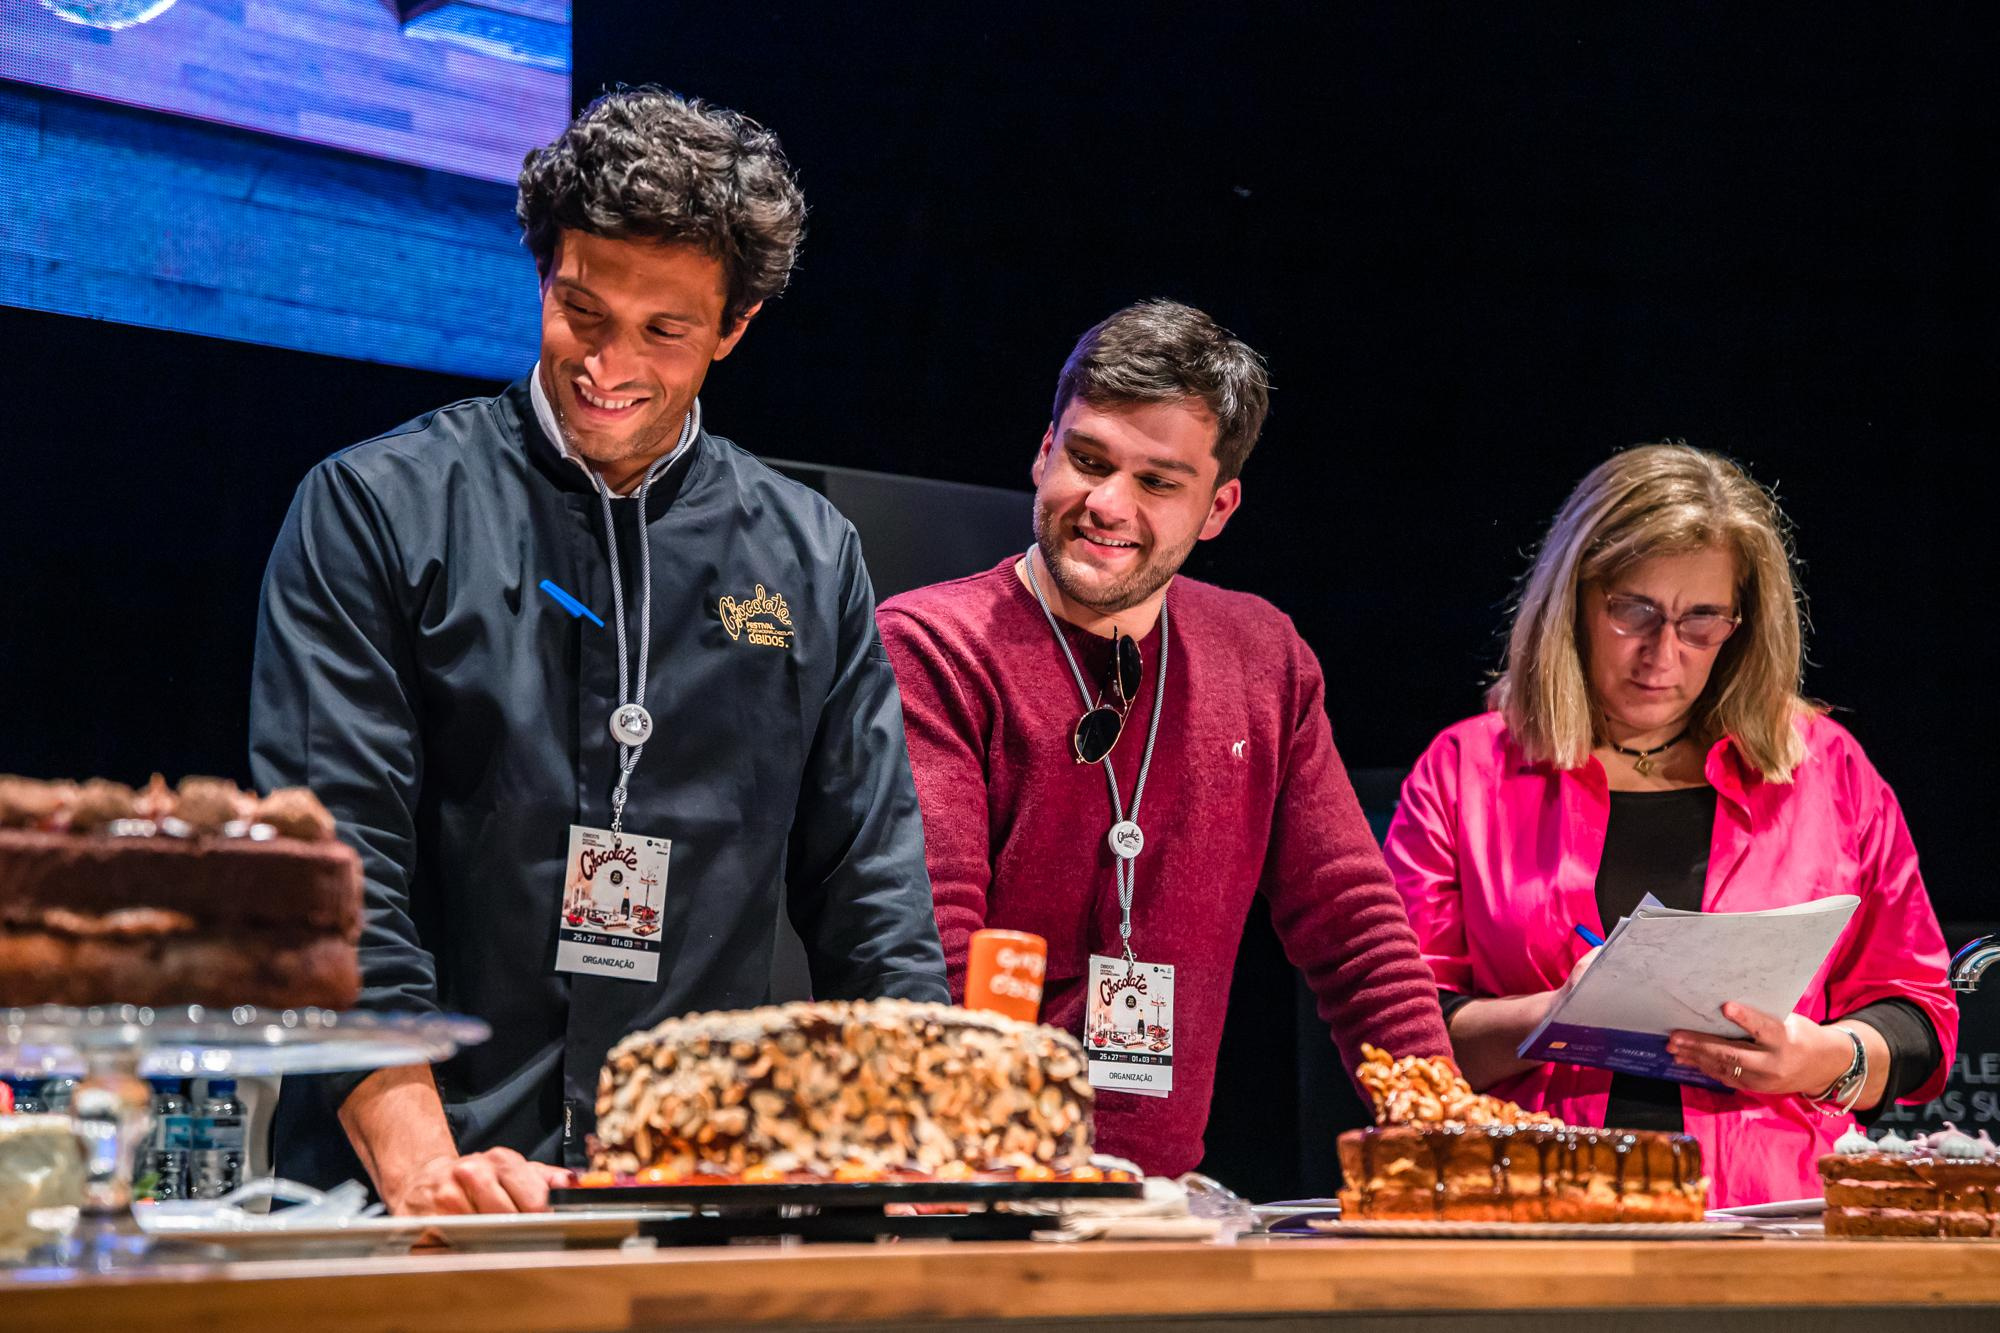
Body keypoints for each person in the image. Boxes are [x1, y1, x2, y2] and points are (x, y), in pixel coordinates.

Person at [250, 89, 948, 1214]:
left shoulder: (809, 557)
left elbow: (871, 895)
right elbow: (334, 882)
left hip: (687, 1197)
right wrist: (431, 1176)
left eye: (664, 331)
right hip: (410, 1185)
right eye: (581, 309)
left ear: (735, 328)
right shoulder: (377, 507)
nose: (607, 366)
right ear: (544, 278)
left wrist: (928, 1145)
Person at [877, 301, 1451, 1176]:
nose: (1107, 504)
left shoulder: (1266, 658)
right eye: (1089, 459)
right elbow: (932, 941)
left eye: (1157, 482)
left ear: (1218, 507)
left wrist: (1438, 1116)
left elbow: (1352, 920)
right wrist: (995, 1165)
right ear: (1044, 449)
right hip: (966, 1183)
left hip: (1158, 1200)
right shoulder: (933, 644)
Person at [1383, 443, 1957, 1207]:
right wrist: (1549, 1014)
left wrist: (1822, 1057)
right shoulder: (1467, 769)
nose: (1663, 654)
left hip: (1763, 1215)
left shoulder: (1825, 768)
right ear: (1575, 598)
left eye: (1701, 620)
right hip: (1528, 1207)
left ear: (1742, 623)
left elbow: (1920, 1016)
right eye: (1633, 610)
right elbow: (1398, 1031)